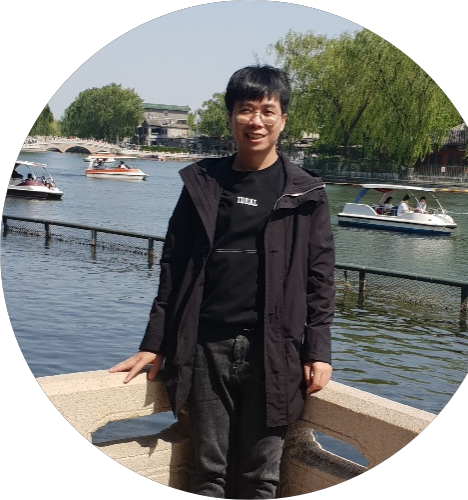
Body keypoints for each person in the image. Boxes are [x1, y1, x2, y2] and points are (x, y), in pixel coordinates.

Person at [109, 64, 336, 499]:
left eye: (267, 111)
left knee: (260, 476)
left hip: (275, 349)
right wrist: (154, 342)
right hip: (206, 345)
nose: (256, 121)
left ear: (283, 119)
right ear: (230, 116)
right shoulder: (203, 182)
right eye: (245, 109)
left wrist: (318, 350)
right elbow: (173, 267)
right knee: (208, 472)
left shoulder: (306, 192)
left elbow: (320, 278)